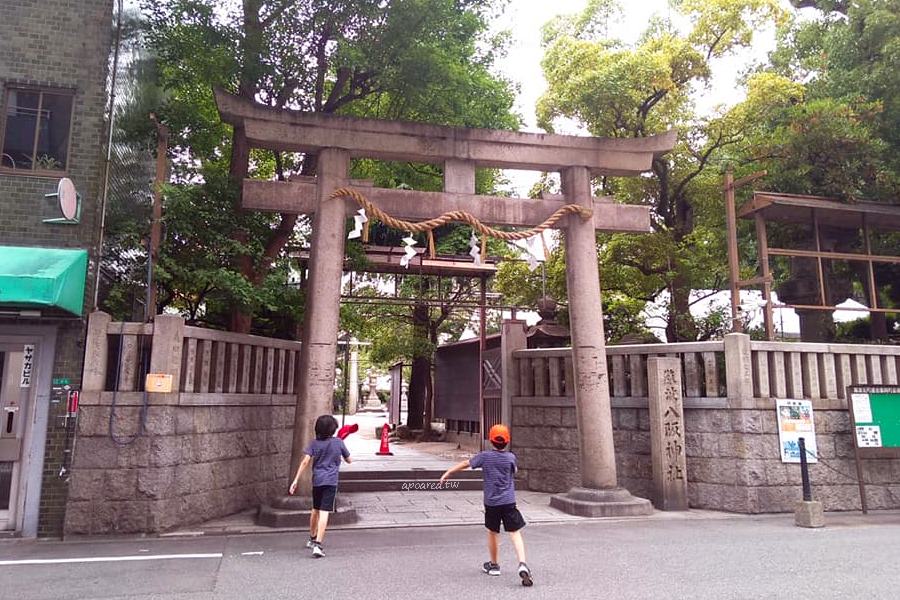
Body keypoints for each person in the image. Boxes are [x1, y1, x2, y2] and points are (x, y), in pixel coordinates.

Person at [440, 424, 533, 586]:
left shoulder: (484, 457)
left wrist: (448, 473)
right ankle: (522, 563)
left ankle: (494, 565)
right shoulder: (511, 457)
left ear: (491, 440)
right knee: (514, 532)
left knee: (493, 532)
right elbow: (514, 471)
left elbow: (465, 463)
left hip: (492, 503)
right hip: (509, 501)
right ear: (507, 441)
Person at [289, 414, 351, 558]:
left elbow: (305, 462)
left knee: (315, 509)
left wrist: (295, 480)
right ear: (333, 429)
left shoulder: (314, 443)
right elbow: (349, 460)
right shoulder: (338, 442)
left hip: (317, 480)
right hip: (330, 481)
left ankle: (311, 538)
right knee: (324, 511)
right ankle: (318, 545)